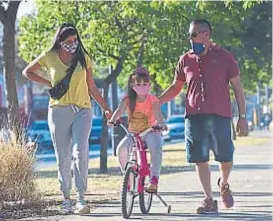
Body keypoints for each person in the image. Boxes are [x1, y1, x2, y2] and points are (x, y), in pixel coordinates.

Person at [158, 19, 248, 214]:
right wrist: (157, 101)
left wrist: (242, 116)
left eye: (193, 35)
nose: (191, 39)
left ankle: (223, 183)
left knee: (225, 157)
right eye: (189, 35)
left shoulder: (224, 57)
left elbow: (238, 89)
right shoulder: (185, 59)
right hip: (194, 116)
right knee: (200, 158)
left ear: (206, 34)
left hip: (220, 115)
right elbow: (176, 87)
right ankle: (209, 198)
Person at [22, 23, 112, 214]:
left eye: (75, 40)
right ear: (60, 42)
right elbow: (27, 71)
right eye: (69, 41)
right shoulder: (49, 56)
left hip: (83, 110)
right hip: (58, 111)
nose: (73, 44)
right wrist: (50, 83)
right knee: (63, 157)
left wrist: (106, 108)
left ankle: (81, 199)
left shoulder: (83, 57)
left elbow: (92, 87)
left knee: (81, 153)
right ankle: (66, 198)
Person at [108, 67, 167, 192]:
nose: (142, 87)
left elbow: (158, 113)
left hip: (150, 131)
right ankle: (128, 178)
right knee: (121, 149)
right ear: (132, 85)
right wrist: (112, 120)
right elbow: (119, 111)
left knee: (156, 147)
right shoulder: (128, 99)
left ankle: (154, 180)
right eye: (138, 84)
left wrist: (161, 123)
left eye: (145, 84)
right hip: (133, 133)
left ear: (149, 85)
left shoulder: (152, 100)